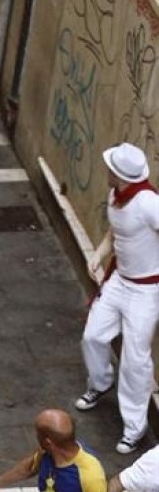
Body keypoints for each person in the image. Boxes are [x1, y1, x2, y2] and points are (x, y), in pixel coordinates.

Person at [75, 144, 159, 456]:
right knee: (93, 336)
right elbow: (116, 234)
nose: (106, 170)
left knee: (136, 361)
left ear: (119, 174)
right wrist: (98, 254)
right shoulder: (115, 195)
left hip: (146, 291)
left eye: (110, 168)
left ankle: (134, 429)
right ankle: (100, 383)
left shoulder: (149, 203)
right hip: (118, 282)